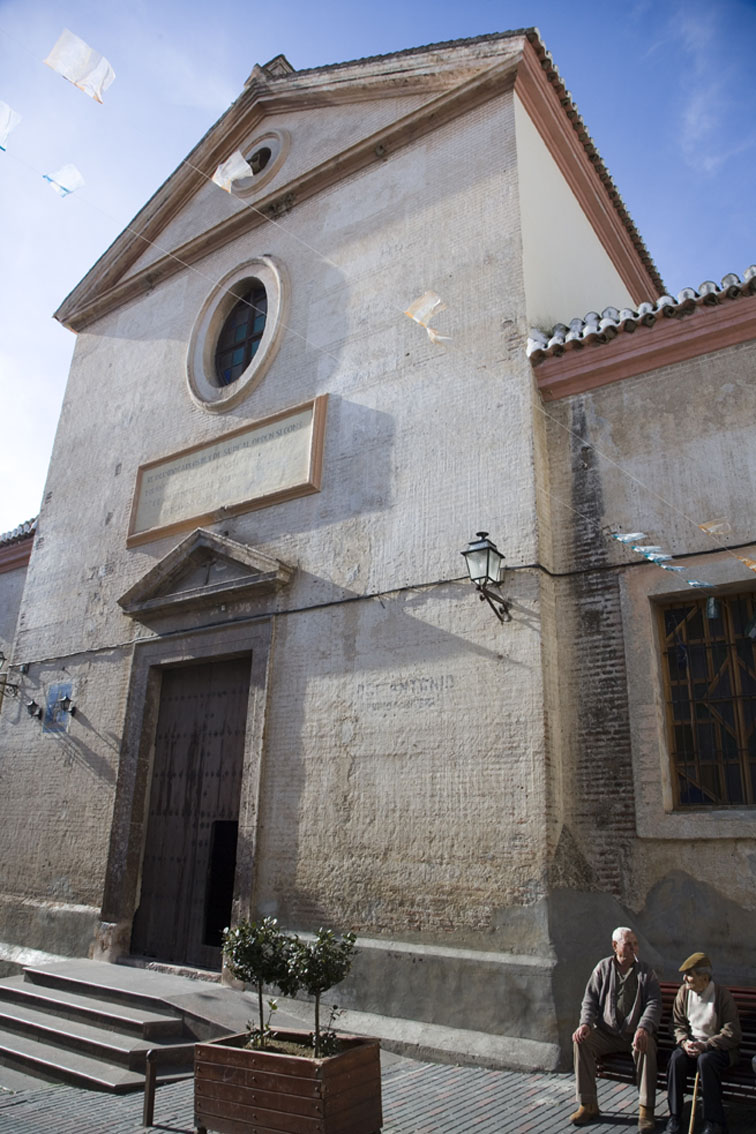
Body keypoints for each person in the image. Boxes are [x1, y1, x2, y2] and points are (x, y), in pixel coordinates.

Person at [570, 926, 661, 1131]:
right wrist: (585, 1023)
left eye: (635, 944)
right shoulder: (602, 968)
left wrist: (643, 1028)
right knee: (580, 1040)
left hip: (635, 1034)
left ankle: (646, 1109)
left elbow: (654, 1004)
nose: (633, 948)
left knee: (646, 1046)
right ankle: (588, 1104)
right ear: (614, 946)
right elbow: (589, 1000)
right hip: (608, 1033)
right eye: (628, 944)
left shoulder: (646, 972)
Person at [665, 952, 741, 1134]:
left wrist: (706, 1045)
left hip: (716, 1049)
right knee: (676, 1058)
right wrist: (684, 1042)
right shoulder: (684, 992)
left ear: (704, 978)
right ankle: (675, 1117)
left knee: (706, 1061)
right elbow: (677, 1024)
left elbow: (732, 1032)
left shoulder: (722, 995)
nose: (685, 978)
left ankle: (714, 1122)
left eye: (689, 974)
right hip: (692, 1046)